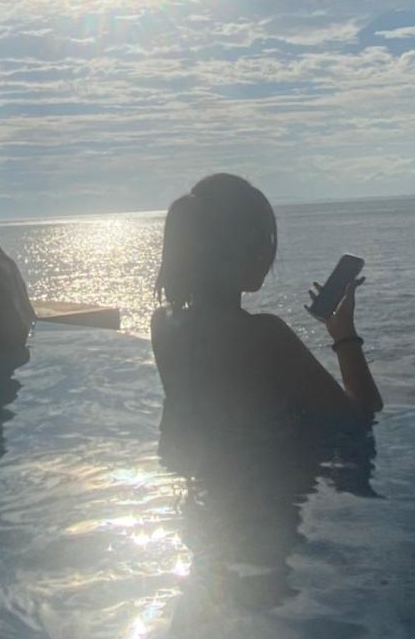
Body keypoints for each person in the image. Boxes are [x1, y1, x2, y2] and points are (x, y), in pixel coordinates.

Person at [150, 173, 383, 451]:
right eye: (264, 239)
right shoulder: (264, 335)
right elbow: (361, 418)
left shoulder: (163, 324)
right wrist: (344, 334)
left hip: (198, 470)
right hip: (268, 475)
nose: (268, 252)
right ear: (239, 249)